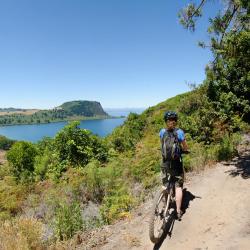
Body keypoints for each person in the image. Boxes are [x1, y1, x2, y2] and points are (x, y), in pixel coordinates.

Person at [159, 111, 188, 220]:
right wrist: (185, 150)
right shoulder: (179, 132)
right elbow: (185, 146)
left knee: (166, 183)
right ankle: (178, 211)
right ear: (175, 121)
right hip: (176, 164)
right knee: (178, 186)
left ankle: (165, 205)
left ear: (166, 121)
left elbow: (162, 144)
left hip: (165, 163)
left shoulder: (162, 132)